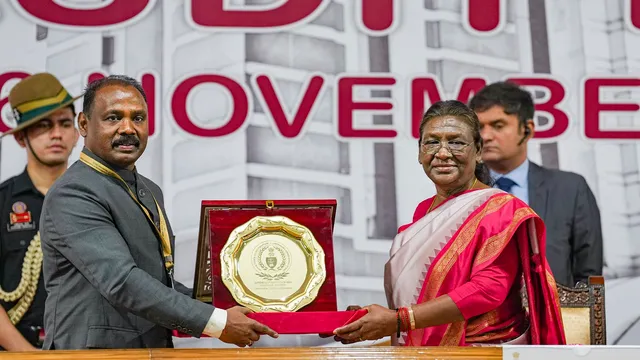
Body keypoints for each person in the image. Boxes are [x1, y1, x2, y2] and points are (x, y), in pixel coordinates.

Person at [39, 74, 278, 349]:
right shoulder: (74, 193)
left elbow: (159, 284)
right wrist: (218, 322)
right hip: (92, 354)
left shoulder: (148, 190)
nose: (128, 128)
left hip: (149, 351)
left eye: (138, 118)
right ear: (83, 124)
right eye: (113, 118)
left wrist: (236, 301)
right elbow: (123, 281)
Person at [332, 100, 566, 346]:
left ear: (477, 151)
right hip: (423, 350)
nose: (442, 153)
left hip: (484, 352)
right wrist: (370, 322)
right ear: (420, 152)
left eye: (456, 142)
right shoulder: (423, 213)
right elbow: (417, 298)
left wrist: (398, 320)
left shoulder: (502, 209)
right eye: (432, 142)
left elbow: (488, 290)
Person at [468, 81, 603, 287]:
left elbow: (589, 277)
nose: (485, 136)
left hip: (556, 315)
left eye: (498, 125)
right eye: (479, 127)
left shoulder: (570, 189)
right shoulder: (462, 193)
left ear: (527, 130)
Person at [0, 72, 80, 351]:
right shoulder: (2, 203)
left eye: (64, 123)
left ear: (78, 131)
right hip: (18, 351)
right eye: (43, 126)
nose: (56, 134)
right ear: (21, 138)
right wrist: (29, 355)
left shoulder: (99, 200)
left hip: (87, 348)